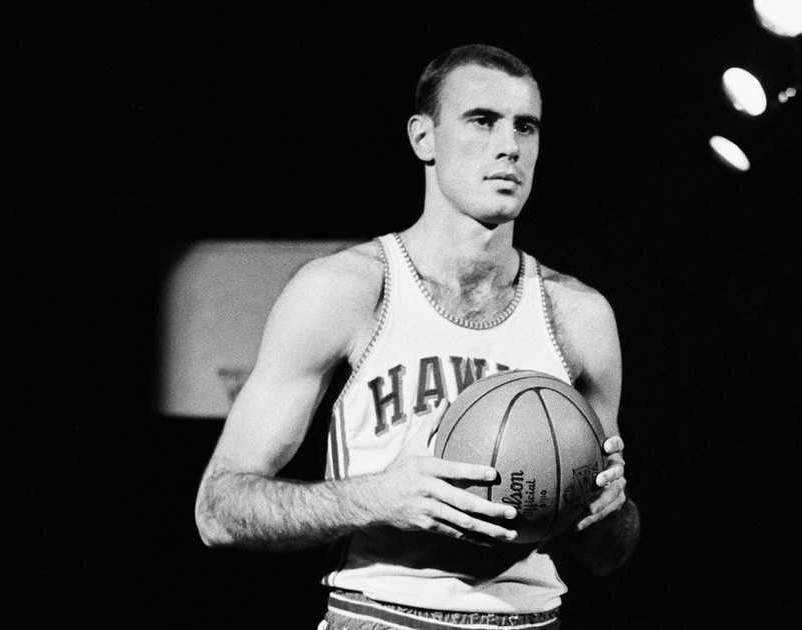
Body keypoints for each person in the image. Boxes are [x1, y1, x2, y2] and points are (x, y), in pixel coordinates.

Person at [194, 43, 640, 629]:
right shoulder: (345, 290)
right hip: (380, 615)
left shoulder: (580, 315)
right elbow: (219, 511)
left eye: (525, 127)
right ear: (422, 138)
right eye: (482, 121)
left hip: (533, 618)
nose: (509, 146)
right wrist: (376, 497)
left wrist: (609, 513)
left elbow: (607, 555)